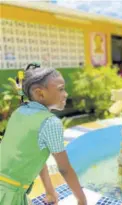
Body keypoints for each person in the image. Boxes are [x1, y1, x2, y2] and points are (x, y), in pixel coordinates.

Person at [0, 64, 87, 205]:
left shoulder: (19, 112)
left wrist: (49, 190)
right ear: (40, 93)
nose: (65, 94)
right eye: (61, 89)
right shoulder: (50, 123)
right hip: (8, 197)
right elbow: (64, 168)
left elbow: (34, 154)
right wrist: (82, 200)